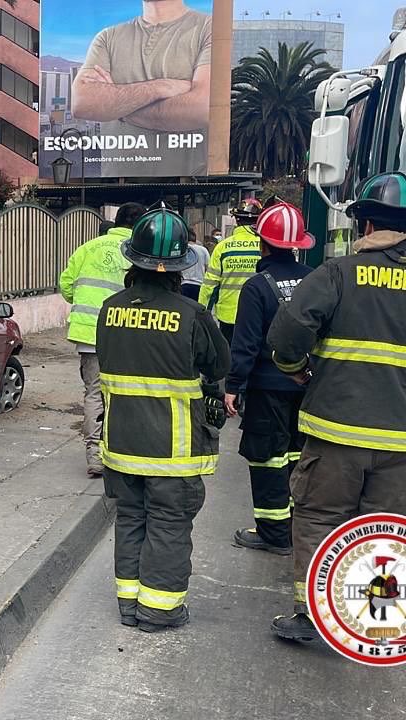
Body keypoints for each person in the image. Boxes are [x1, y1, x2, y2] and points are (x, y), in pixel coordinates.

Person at [267, 172, 406, 642]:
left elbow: (288, 334)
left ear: (366, 224)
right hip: (401, 445)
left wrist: (295, 370)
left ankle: (313, 617)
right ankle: (375, 619)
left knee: (320, 518)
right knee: (385, 530)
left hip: (335, 431)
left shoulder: (337, 274)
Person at [97, 206, 230, 632]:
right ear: (179, 267)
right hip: (173, 449)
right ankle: (159, 609)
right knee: (169, 524)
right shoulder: (192, 315)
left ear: (132, 260)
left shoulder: (109, 309)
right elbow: (218, 364)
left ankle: (129, 604)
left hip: (122, 443)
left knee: (130, 518)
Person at [222, 202, 315, 556]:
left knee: (267, 460)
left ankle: (274, 533)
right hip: (306, 387)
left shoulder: (257, 287)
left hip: (267, 387)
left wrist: (234, 386)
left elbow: (245, 343)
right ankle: (295, 527)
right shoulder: (314, 279)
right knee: (296, 457)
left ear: (262, 243)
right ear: (297, 244)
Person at [70, 0, 211, 176]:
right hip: (114, 185)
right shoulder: (107, 37)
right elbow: (81, 103)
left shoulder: (208, 28)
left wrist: (115, 106)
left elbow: (202, 110)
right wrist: (161, 87)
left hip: (187, 186)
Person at [59, 202, 144, 477]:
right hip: (125, 334)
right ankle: (120, 451)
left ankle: (94, 454)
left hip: (88, 334)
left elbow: (66, 285)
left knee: (94, 393)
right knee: (124, 392)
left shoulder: (87, 248)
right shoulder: (137, 251)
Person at [199, 198, 263, 345]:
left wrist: (202, 315)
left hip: (228, 317)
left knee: (229, 355)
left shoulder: (223, 247)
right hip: (258, 316)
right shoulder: (264, 245)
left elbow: (209, 286)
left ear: (236, 219)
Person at [180, 228, 210, 300]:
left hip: (184, 284)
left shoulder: (182, 249)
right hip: (199, 285)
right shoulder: (203, 250)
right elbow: (208, 269)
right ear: (195, 239)